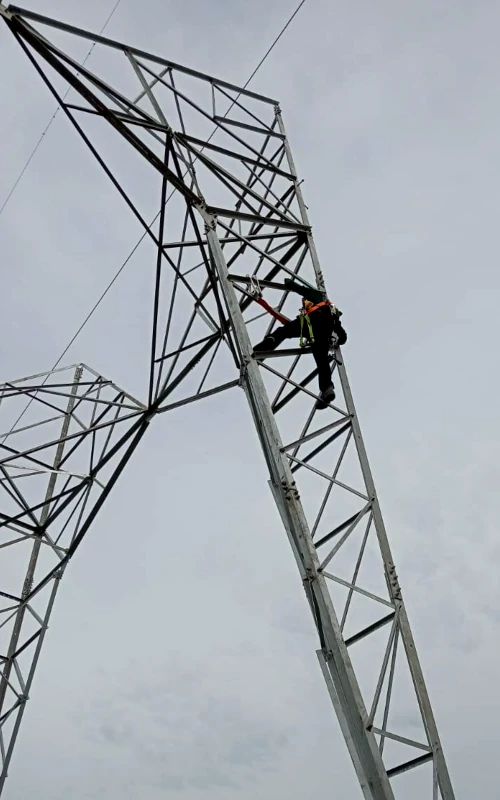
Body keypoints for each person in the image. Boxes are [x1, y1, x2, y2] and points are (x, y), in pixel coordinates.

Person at [253, 278, 347, 409]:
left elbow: (300, 289)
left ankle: (271, 340)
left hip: (311, 321)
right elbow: (343, 337)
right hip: (324, 331)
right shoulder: (333, 313)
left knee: (285, 331)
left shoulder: (316, 295)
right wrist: (337, 340)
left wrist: (289, 283)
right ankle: (327, 389)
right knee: (322, 362)